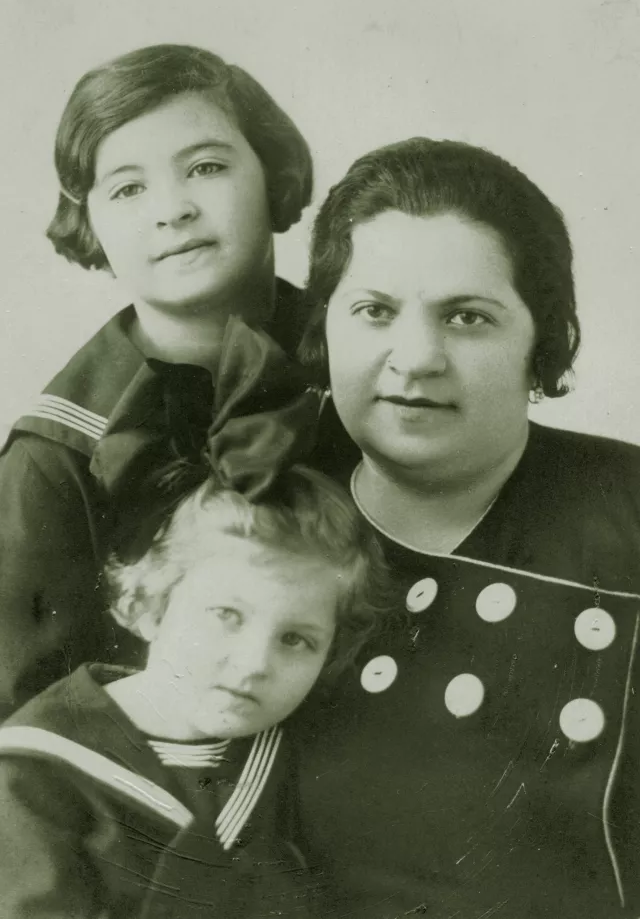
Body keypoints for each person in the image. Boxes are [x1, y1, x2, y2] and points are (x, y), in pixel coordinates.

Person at [294, 138, 640, 918]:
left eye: (468, 317)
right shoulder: (251, 518)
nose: (415, 358)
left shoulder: (630, 512)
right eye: (374, 310)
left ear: (541, 341)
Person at [0, 319, 385, 919]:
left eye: (297, 639)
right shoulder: (39, 772)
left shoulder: (295, 764)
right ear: (144, 604)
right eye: (226, 615)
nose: (256, 662)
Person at [0, 43, 313, 718]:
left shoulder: (361, 355)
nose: (172, 209)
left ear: (272, 173)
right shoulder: (54, 460)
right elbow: (32, 721)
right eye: (128, 187)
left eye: (204, 167)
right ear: (91, 221)